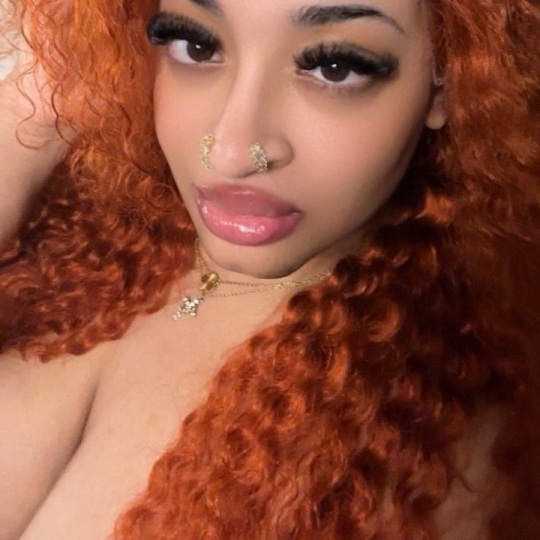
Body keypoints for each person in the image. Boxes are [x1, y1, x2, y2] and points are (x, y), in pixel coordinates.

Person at [0, 0, 538, 538]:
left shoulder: (431, 449)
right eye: (196, 45)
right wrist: (27, 121)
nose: (232, 153)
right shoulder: (89, 232)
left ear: (449, 79)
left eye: (334, 67)